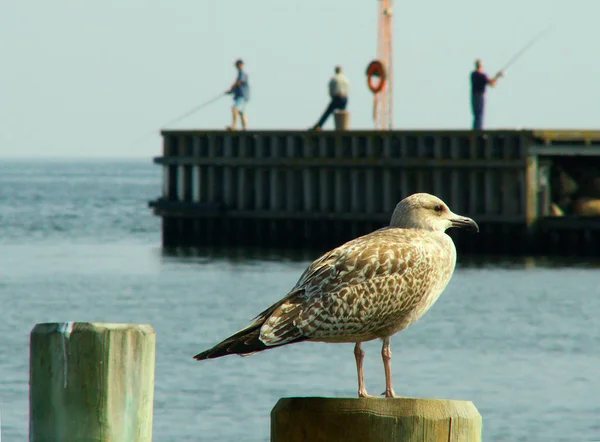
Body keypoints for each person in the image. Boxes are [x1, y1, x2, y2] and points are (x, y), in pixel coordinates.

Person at [312, 65, 349, 130]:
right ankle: (342, 127)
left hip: (337, 97)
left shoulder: (334, 79)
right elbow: (348, 89)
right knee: (342, 113)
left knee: (327, 112)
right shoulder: (346, 79)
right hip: (345, 98)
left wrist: (332, 97)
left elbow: (331, 90)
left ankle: (319, 126)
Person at [470, 59, 503, 130]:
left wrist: (496, 77)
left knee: (476, 114)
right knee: (479, 114)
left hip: (474, 96)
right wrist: (497, 76)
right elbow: (492, 83)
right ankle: (478, 130)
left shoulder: (473, 75)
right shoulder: (482, 75)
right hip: (480, 96)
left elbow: (490, 83)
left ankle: (476, 129)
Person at [226, 59, 250, 130]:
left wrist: (232, 87)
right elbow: (238, 84)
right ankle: (244, 128)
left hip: (242, 96)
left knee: (235, 109)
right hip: (241, 96)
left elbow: (239, 82)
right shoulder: (240, 73)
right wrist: (231, 91)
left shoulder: (242, 73)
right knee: (242, 112)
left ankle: (234, 127)